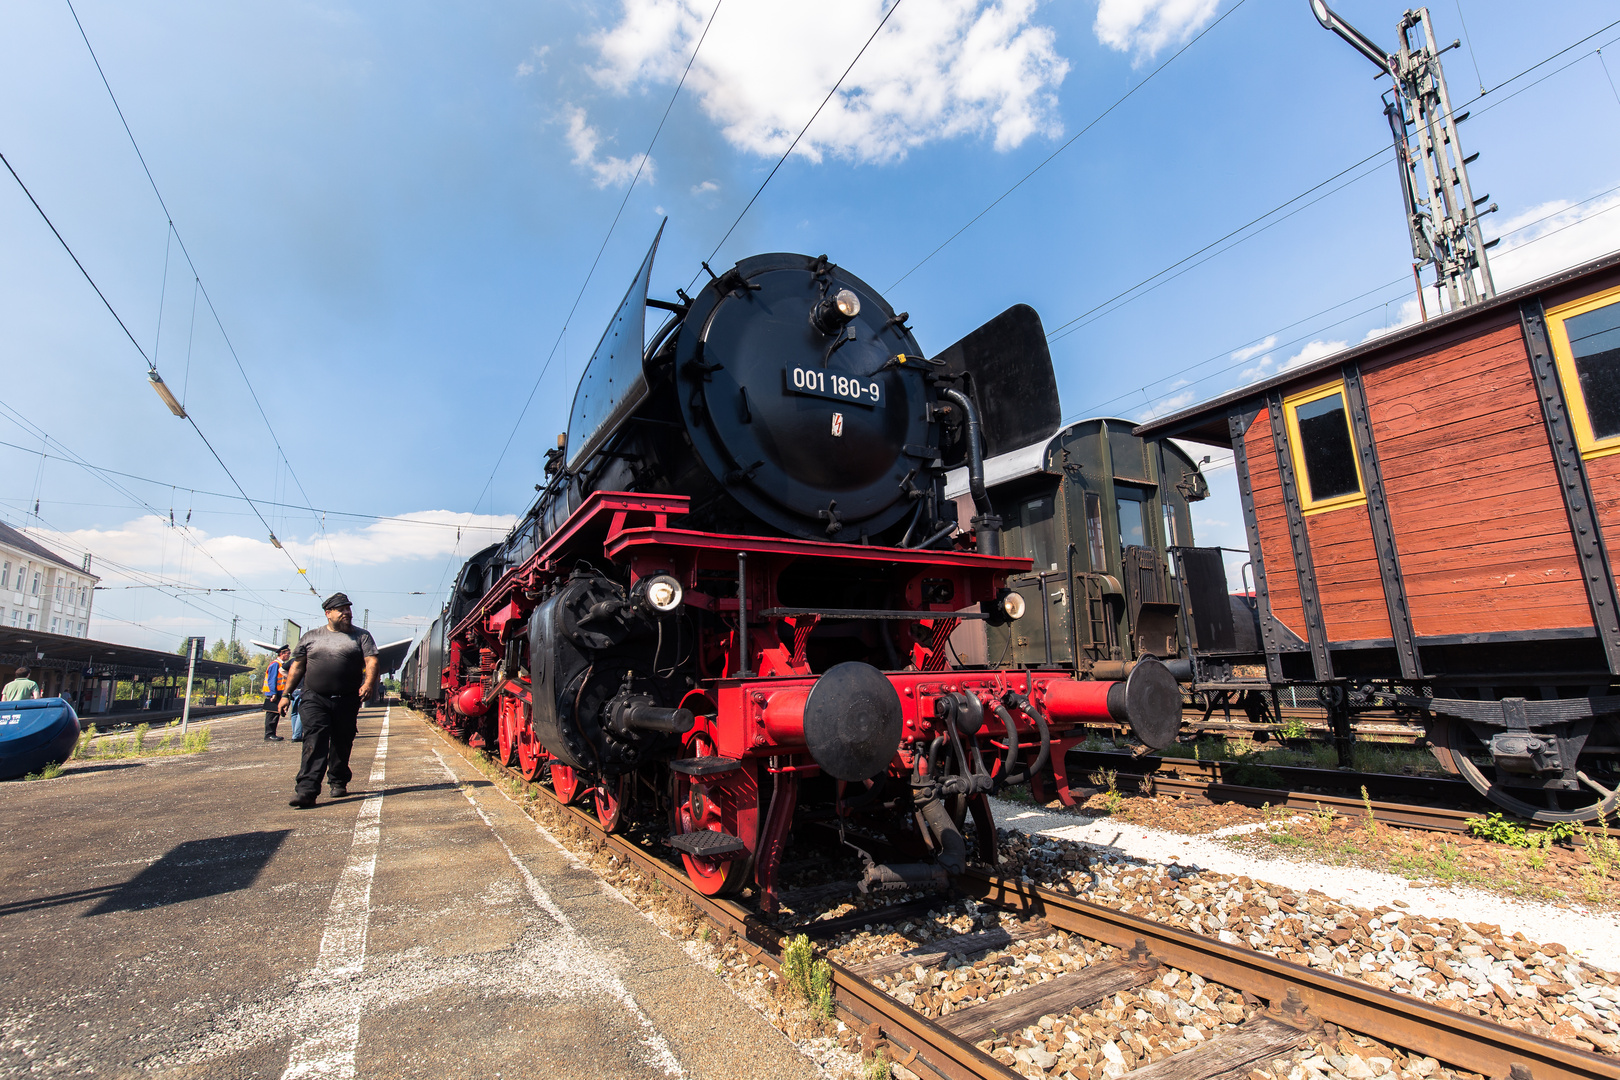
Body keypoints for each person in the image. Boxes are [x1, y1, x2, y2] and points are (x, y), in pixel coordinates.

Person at [282, 593, 378, 808]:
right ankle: (307, 790)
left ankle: (338, 779)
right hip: (314, 698)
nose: (347, 613)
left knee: (342, 741)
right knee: (314, 740)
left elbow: (371, 661)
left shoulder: (361, 636)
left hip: (347, 698)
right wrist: (285, 695)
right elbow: (297, 667)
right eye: (341, 609)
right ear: (328, 613)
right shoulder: (311, 636)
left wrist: (369, 683)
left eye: (348, 609)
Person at [262, 645, 290, 741]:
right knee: (272, 714)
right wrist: (273, 693)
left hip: (278, 693)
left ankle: (272, 733)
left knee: (275, 714)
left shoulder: (280, 664)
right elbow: (272, 679)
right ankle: (269, 734)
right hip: (274, 694)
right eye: (288, 653)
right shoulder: (276, 664)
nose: (289, 656)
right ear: (282, 654)